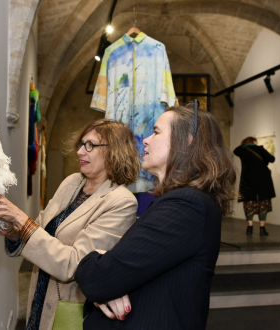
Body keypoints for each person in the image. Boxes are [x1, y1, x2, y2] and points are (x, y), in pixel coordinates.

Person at [74, 103, 237, 330]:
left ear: (187, 141)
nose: (146, 140)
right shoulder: (182, 203)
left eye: (157, 132)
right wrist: (108, 269)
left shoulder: (185, 206)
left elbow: (98, 279)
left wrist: (96, 256)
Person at [0, 119, 141, 330]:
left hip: (69, 310)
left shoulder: (121, 201)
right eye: (81, 144)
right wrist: (14, 232)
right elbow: (40, 232)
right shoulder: (72, 182)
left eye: (90, 145)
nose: (80, 151)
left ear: (114, 152)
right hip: (39, 298)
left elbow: (75, 264)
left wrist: (20, 217)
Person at [233, 136, 276, 236]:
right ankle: (262, 228)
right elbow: (272, 159)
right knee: (263, 203)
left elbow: (235, 150)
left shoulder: (242, 150)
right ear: (254, 141)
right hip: (263, 180)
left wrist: (244, 145)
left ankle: (250, 227)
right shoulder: (260, 149)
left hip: (248, 180)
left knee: (249, 203)